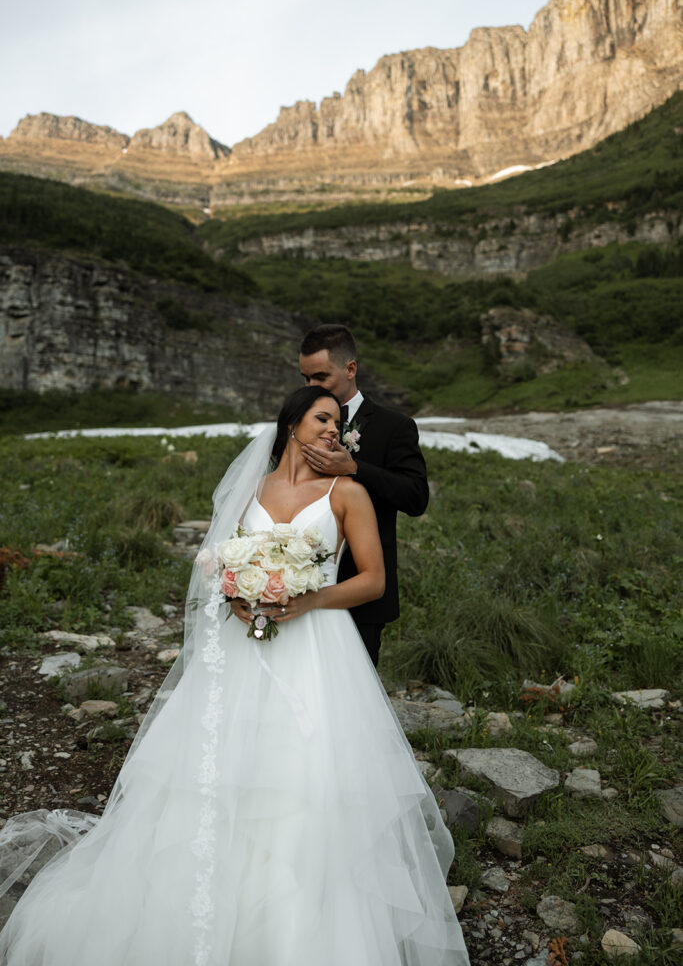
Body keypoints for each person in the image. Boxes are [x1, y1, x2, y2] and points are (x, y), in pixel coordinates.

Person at [0, 386, 469, 966]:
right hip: (240, 650)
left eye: (338, 422)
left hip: (318, 649)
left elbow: (372, 580)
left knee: (306, 775)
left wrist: (309, 599)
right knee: (211, 769)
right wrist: (239, 593)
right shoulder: (251, 488)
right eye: (322, 419)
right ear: (291, 424)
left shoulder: (348, 491)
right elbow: (222, 561)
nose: (333, 430)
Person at [298, 323, 429, 667]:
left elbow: (416, 498)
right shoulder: (299, 424)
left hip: (362, 587)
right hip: (300, 581)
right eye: (305, 378)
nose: (311, 388)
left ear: (350, 369)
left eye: (321, 377)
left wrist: (355, 468)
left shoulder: (394, 426)